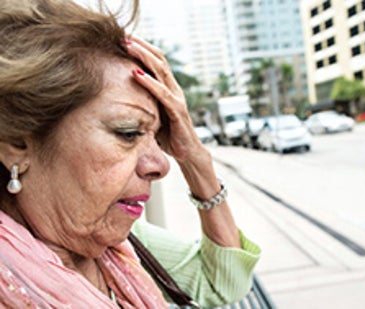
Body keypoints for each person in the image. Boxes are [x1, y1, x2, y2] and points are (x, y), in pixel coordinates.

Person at [0, 0, 261, 307]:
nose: (162, 164)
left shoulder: (123, 243)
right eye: (128, 133)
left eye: (158, 136)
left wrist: (194, 159)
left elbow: (221, 285)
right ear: (16, 143)